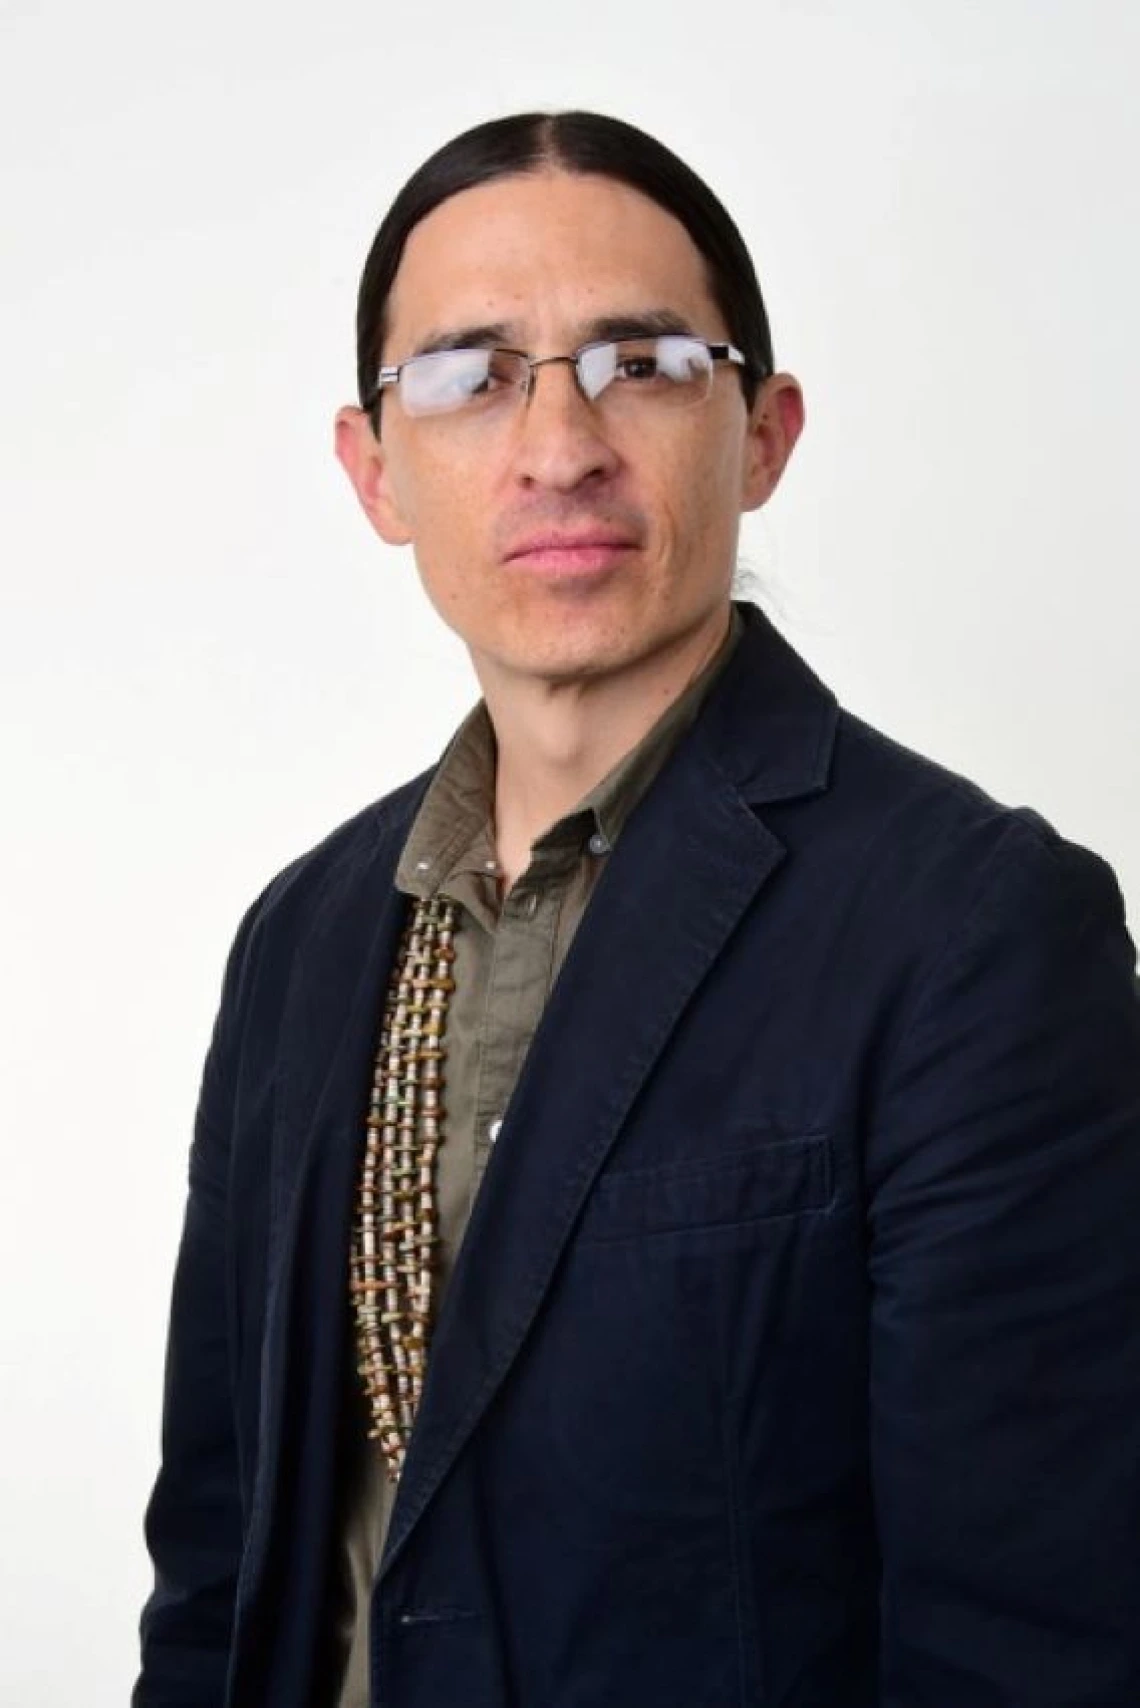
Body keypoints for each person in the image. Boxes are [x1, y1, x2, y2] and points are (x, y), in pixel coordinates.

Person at [133, 110, 1140, 1708]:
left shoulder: (973, 931)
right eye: (470, 374)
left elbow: (1032, 1642)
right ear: (373, 469)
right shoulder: (301, 940)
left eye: (643, 360)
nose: (557, 446)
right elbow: (216, 1580)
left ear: (763, 433)